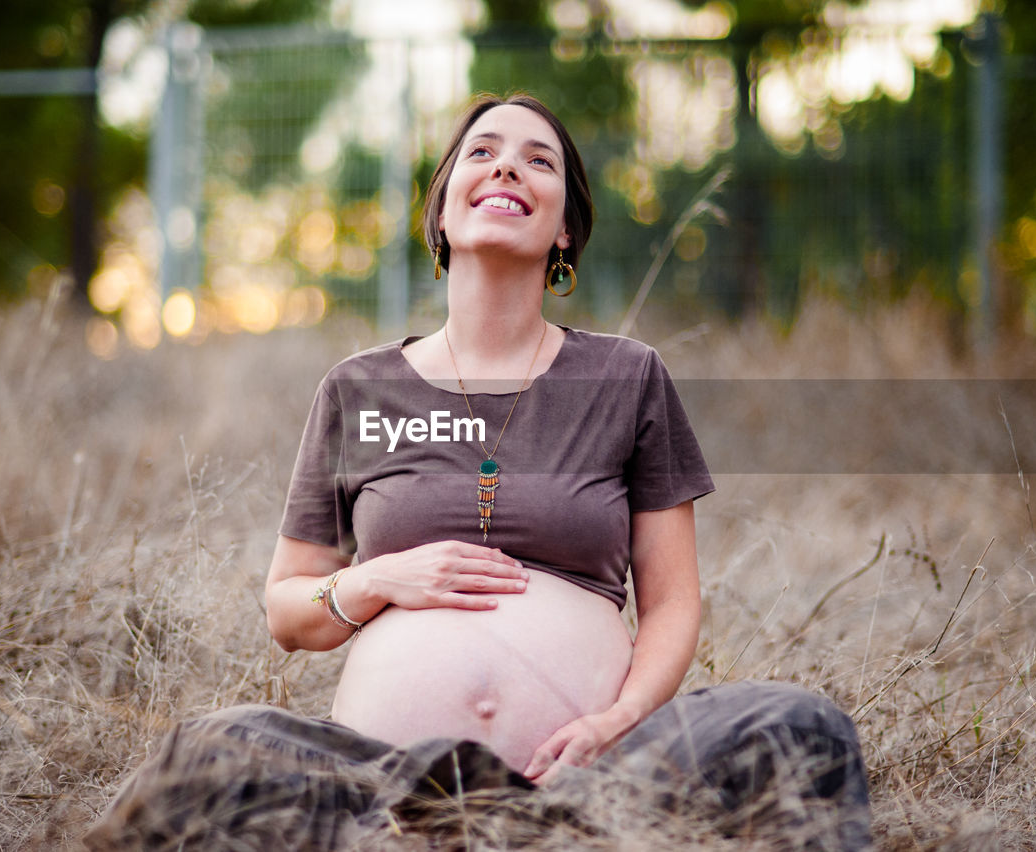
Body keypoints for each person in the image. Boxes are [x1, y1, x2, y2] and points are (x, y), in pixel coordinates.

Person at [84, 92, 872, 851]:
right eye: (482, 153)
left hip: (590, 782)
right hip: (382, 785)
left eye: (539, 162)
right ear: (442, 212)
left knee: (801, 725)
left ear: (565, 228)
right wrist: (382, 579)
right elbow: (290, 612)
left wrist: (618, 721)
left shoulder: (628, 376)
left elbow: (671, 604)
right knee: (213, 750)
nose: (506, 170)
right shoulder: (358, 389)